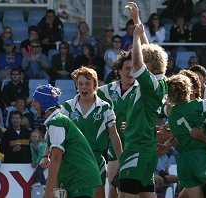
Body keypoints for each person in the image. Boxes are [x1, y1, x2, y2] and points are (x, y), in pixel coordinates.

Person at [118, 2, 167, 198]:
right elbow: (148, 51)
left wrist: (135, 37)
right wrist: (137, 20)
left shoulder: (151, 84)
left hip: (137, 148)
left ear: (150, 65)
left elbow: (138, 62)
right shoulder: (157, 80)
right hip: (145, 149)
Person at [32, 84, 102, 197]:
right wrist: (45, 157)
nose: (32, 104)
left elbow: (56, 156)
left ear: (44, 102)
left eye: (35, 101)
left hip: (80, 179)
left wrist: (49, 190)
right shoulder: (56, 120)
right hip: (78, 178)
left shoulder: (56, 122)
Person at [65, 67, 123, 198]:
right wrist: (46, 156)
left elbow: (114, 136)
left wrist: (122, 161)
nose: (83, 87)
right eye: (80, 84)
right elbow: (56, 134)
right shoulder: (67, 107)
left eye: (87, 83)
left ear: (95, 85)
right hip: (73, 162)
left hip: (96, 162)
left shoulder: (105, 108)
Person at [166, 74, 206, 197]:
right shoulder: (197, 105)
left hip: (182, 162)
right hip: (198, 156)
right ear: (187, 89)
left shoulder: (171, 115)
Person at [97, 51, 138, 198]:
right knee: (113, 189)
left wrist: (134, 126)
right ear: (119, 70)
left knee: (133, 191)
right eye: (127, 68)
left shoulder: (142, 90)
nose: (131, 71)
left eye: (134, 68)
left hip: (137, 147)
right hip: (115, 147)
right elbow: (88, 96)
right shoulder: (107, 90)